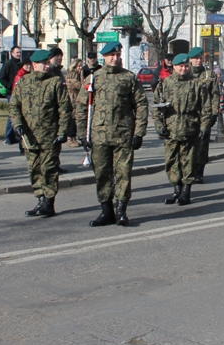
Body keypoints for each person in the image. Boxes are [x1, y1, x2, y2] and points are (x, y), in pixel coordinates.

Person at [76, 42, 149, 227]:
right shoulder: (93, 79)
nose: (115, 58)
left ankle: (121, 211)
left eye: (117, 54)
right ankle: (106, 210)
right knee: (102, 174)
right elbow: (82, 107)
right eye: (111, 55)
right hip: (98, 136)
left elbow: (141, 105)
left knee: (123, 174)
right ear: (104, 57)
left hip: (123, 134)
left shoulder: (129, 78)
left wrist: (139, 132)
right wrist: (81, 134)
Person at [10, 49, 73, 217]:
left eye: (47, 63)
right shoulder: (24, 82)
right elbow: (14, 106)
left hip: (49, 136)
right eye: (43, 64)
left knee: (49, 169)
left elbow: (64, 109)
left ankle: (49, 202)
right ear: (34, 65)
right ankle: (40, 199)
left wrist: (62, 131)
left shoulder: (55, 83)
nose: (46, 66)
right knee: (34, 169)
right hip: (30, 137)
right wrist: (17, 125)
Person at [154, 52, 213, 207]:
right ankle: (176, 188)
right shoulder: (165, 84)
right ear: (174, 67)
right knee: (172, 161)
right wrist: (160, 127)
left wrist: (204, 127)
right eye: (180, 66)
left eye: (186, 66)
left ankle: (186, 191)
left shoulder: (197, 84)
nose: (184, 69)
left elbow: (206, 108)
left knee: (188, 161)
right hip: (171, 128)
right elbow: (156, 108)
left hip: (190, 126)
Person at [186, 46, 218, 184]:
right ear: (190, 60)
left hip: (204, 115)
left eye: (199, 58)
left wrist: (214, 113)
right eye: (195, 59)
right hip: (188, 115)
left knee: (203, 144)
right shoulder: (185, 73)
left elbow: (215, 94)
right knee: (188, 144)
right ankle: (189, 171)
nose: (197, 61)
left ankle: (200, 171)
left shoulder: (209, 75)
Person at [0, 46, 22, 144]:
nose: (19, 54)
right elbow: (2, 78)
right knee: (12, 114)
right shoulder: (8, 64)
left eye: (20, 52)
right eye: (17, 52)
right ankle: (8, 136)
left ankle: (15, 136)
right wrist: (10, 86)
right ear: (12, 53)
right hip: (11, 93)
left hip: (20, 93)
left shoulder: (21, 64)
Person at [66, 59, 83, 146]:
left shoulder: (77, 74)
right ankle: (70, 138)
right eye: (79, 66)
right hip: (72, 98)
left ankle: (73, 138)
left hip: (75, 98)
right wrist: (82, 75)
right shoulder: (72, 75)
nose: (81, 68)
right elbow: (80, 86)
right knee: (72, 119)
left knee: (75, 119)